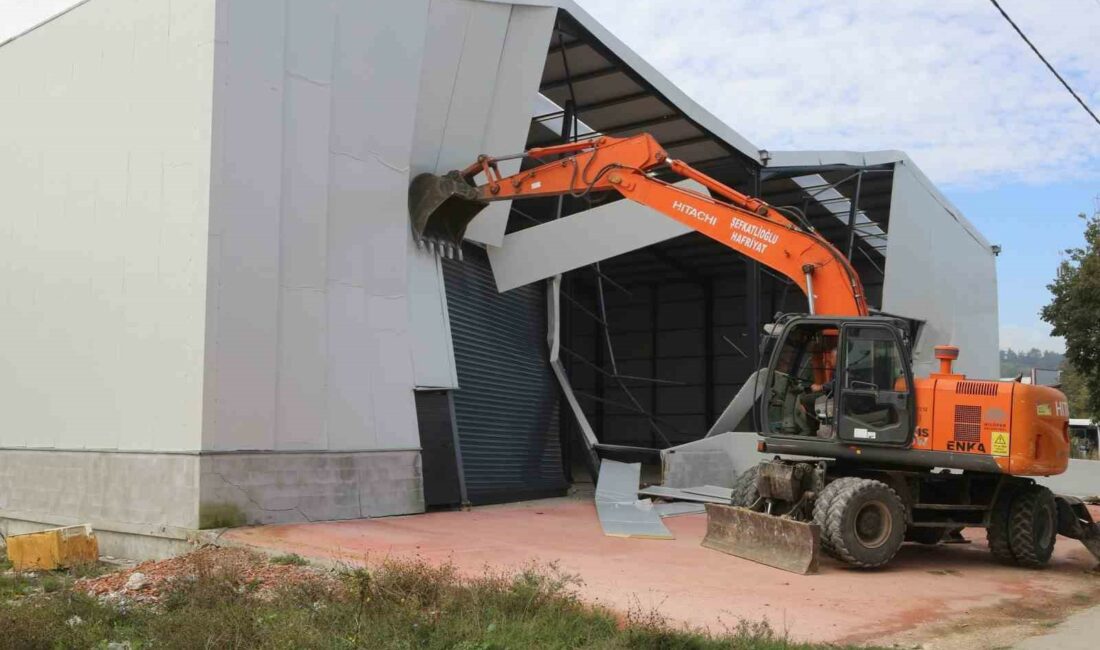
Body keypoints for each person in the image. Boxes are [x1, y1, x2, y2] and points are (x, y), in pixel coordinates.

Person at [796, 345, 837, 436]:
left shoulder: (842, 370)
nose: (830, 360)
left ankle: (811, 429)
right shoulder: (836, 370)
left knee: (805, 400)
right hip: (831, 393)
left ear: (837, 358)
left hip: (835, 396)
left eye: (831, 357)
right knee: (807, 398)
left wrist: (821, 387)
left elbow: (837, 384)